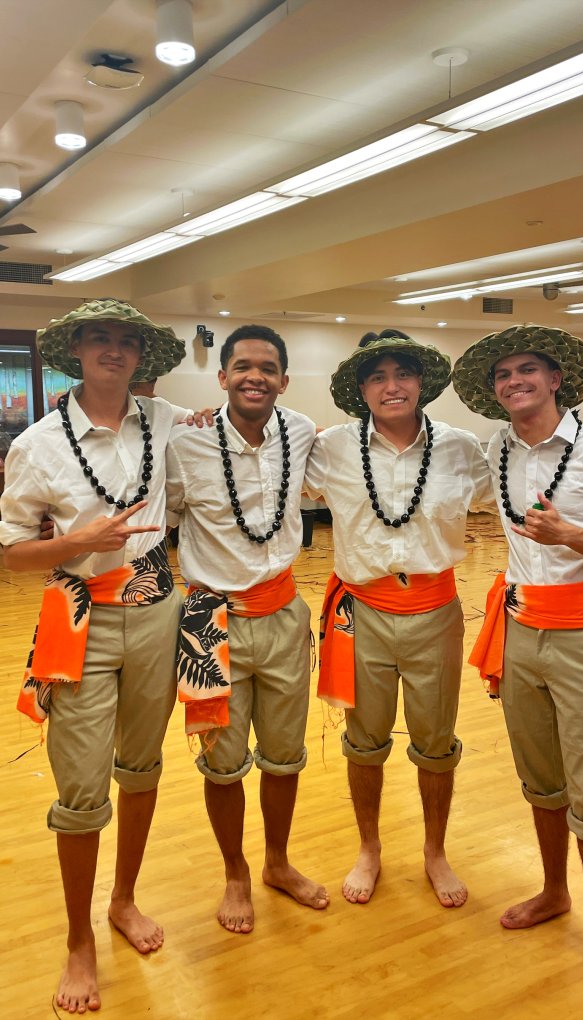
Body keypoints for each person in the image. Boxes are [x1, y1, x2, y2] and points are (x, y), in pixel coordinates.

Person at [453, 324, 583, 1004]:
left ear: (555, 380)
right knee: (540, 780)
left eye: (527, 370)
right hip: (520, 633)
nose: (515, 381)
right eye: (504, 374)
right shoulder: (497, 449)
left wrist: (573, 535)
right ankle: (553, 891)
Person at [0, 298, 187, 1014]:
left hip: (158, 611)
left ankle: (124, 899)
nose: (114, 349)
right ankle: (78, 939)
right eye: (99, 338)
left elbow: (223, 429)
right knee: (80, 788)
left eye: (126, 341)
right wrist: (78, 542)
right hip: (79, 619)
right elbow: (13, 553)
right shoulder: (39, 444)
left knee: (141, 767)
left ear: (141, 357)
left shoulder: (166, 421)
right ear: (75, 352)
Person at [304, 330, 491, 908]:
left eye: (403, 374)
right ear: (361, 390)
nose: (392, 386)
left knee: (436, 742)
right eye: (378, 377)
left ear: (421, 383)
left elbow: (515, 486)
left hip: (436, 613)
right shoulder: (330, 448)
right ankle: (369, 847)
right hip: (362, 614)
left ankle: (435, 851)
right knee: (364, 742)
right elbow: (265, 468)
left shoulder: (461, 448)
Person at [166, 324, 328, 935]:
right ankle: (235, 872)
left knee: (284, 758)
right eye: (242, 366)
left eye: (266, 368)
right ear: (222, 377)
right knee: (223, 763)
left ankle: (277, 863)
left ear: (284, 380)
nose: (254, 376)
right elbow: (158, 512)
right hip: (209, 625)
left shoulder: (303, 432)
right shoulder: (186, 443)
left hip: (284, 616)